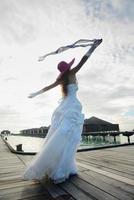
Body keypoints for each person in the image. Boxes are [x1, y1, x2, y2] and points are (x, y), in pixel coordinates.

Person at [23, 39, 102, 184]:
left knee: (65, 136)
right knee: (68, 136)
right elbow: (83, 61)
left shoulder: (63, 81)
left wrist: (35, 94)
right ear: (68, 68)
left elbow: (48, 86)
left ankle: (64, 165)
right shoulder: (71, 73)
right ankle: (60, 168)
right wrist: (93, 47)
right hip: (72, 107)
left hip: (67, 106)